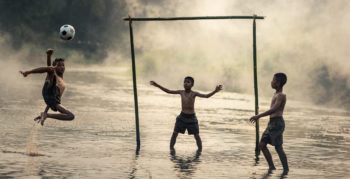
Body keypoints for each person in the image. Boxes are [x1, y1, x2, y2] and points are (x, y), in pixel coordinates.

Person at [150, 76, 222, 151]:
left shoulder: (194, 94)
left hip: (192, 118)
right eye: (184, 82)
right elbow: (168, 91)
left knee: (197, 136)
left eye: (188, 82)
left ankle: (200, 151)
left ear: (192, 85)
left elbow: (206, 96)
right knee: (174, 134)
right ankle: (171, 150)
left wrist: (215, 91)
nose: (186, 83)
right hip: (182, 117)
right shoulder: (181, 92)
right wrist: (157, 85)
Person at [19, 49, 74, 125]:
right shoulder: (54, 75)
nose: (62, 67)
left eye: (63, 65)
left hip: (53, 99)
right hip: (49, 90)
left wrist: (45, 113)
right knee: (49, 70)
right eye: (59, 65)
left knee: (70, 116)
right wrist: (49, 56)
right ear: (55, 67)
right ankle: (27, 72)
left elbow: (52, 100)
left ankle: (47, 115)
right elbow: (49, 67)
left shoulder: (61, 80)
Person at [250, 73, 289, 174]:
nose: (271, 82)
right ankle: (272, 167)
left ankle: (286, 170)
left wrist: (258, 116)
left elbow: (274, 109)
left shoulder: (281, 95)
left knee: (278, 147)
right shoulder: (275, 94)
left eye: (273, 80)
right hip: (271, 123)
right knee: (262, 145)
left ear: (278, 83)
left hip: (277, 123)